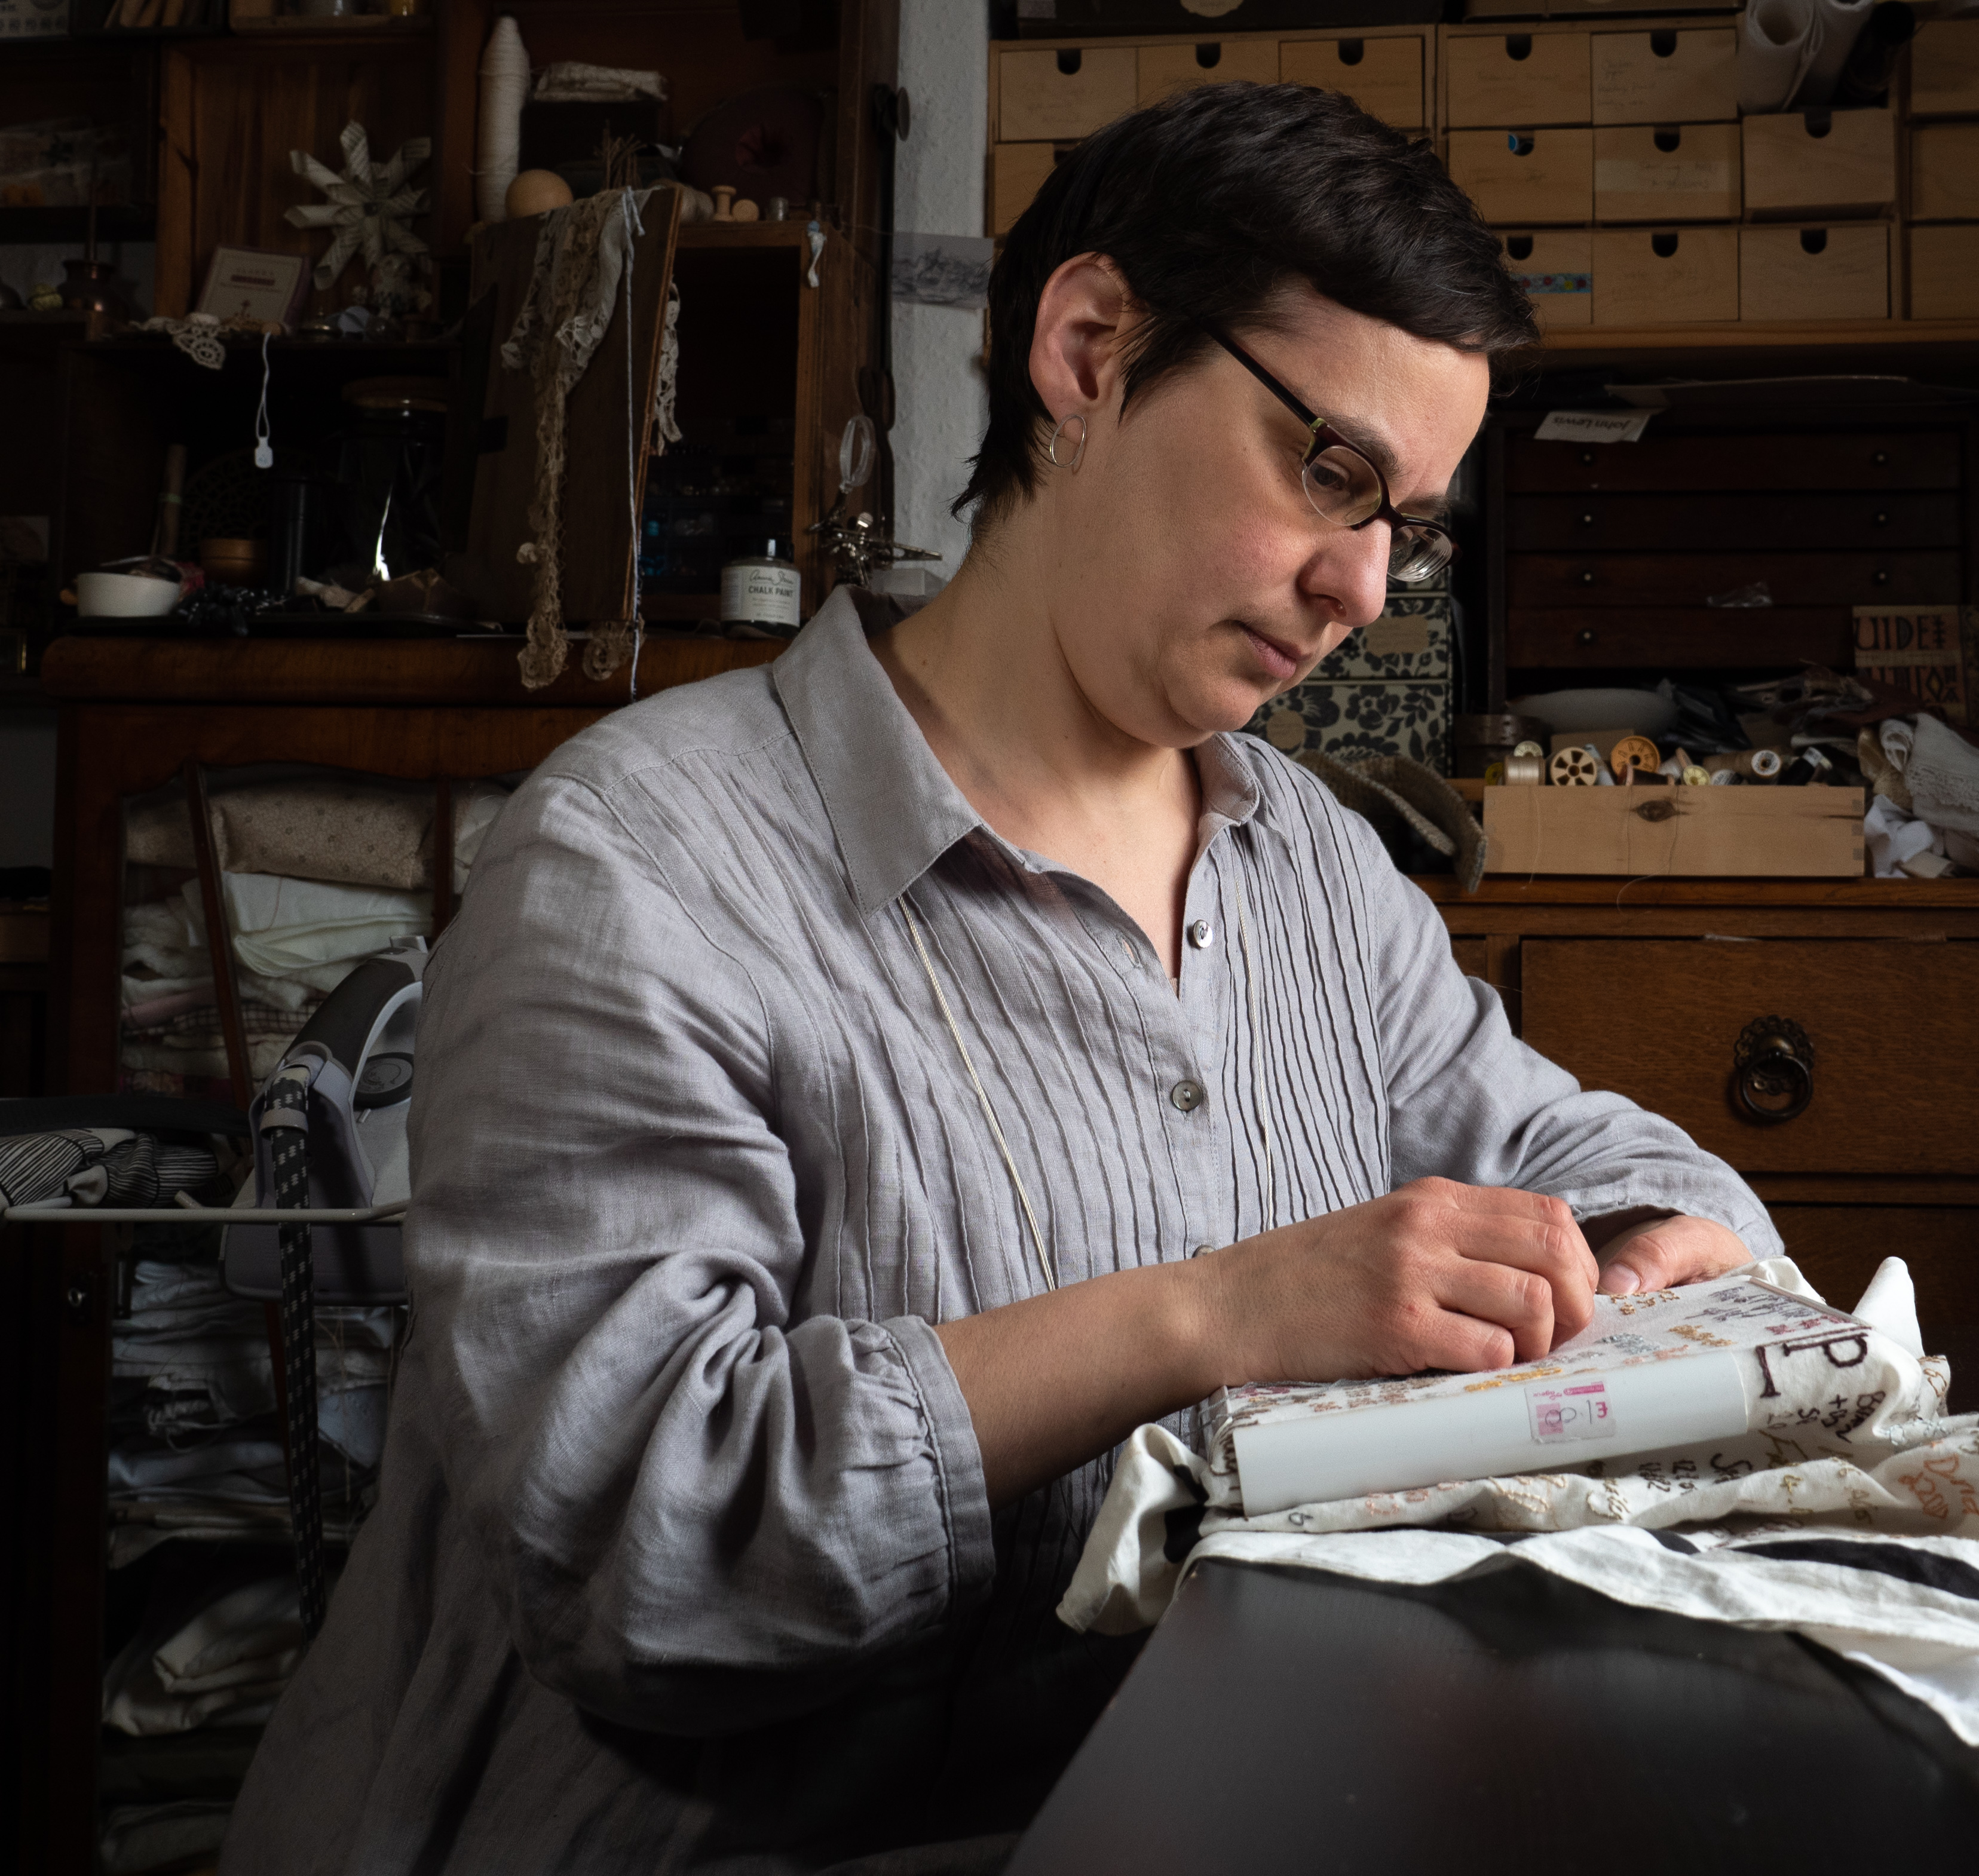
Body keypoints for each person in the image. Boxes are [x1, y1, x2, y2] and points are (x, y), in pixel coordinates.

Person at [226, 81, 1779, 1874]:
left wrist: (1645, 1248)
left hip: (1200, 1804)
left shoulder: (1305, 859)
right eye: (1330, 472)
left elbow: (1592, 1158)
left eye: (1406, 525)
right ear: (1089, 351)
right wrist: (1209, 1318)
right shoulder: (635, 863)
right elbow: (638, 1552)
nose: (1363, 587)